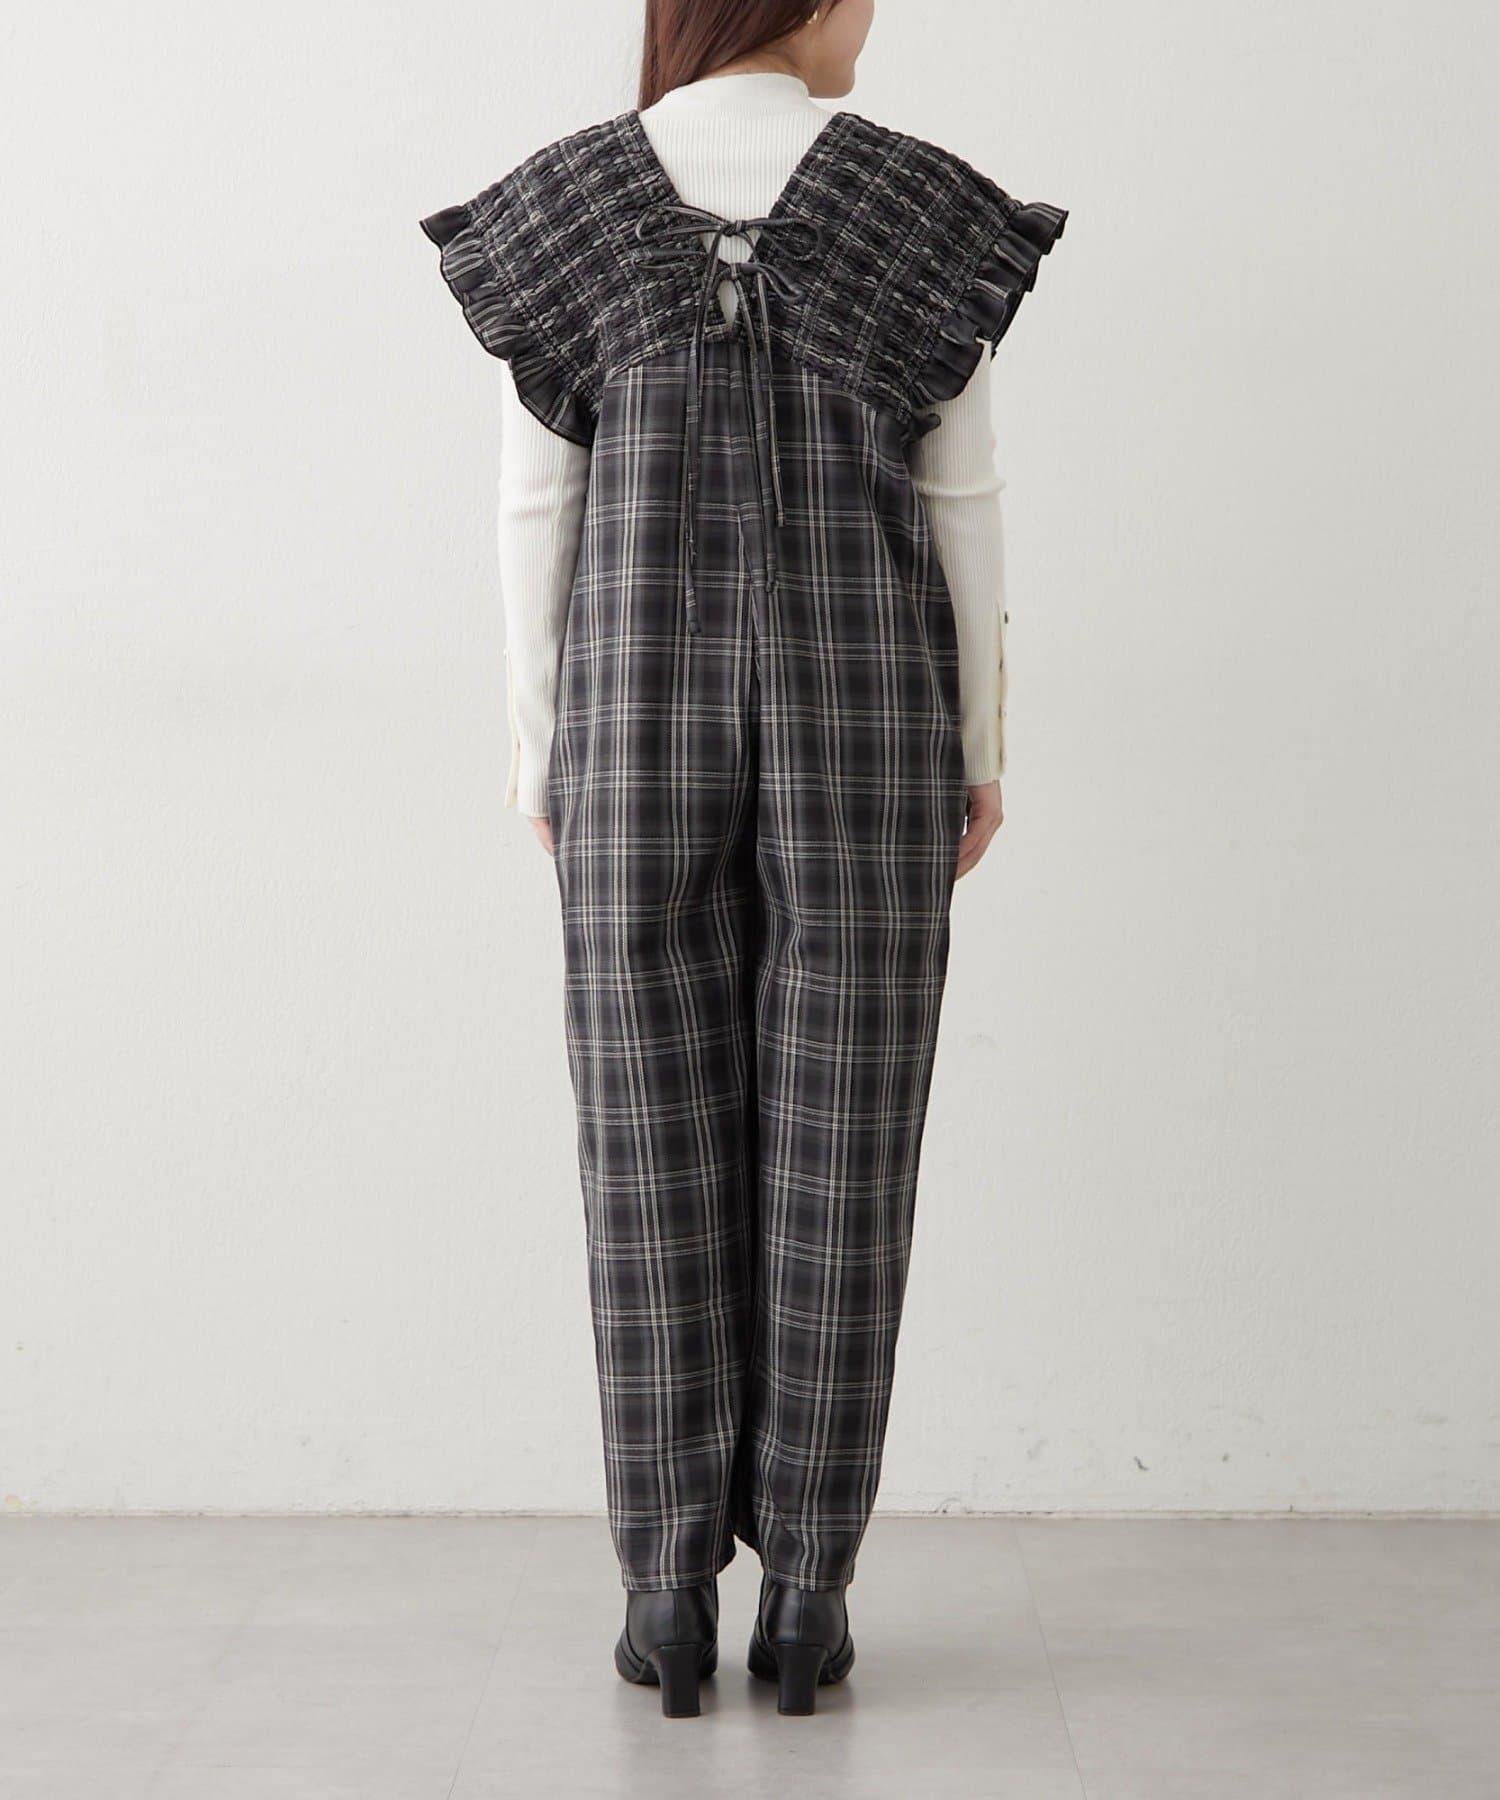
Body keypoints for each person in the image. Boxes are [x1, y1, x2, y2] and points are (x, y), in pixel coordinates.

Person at [421, 0, 1064, 1719]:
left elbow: (536, 511)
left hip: (634, 728)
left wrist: (541, 750)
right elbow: (964, 501)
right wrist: (979, 750)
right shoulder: (921, 210)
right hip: (871, 734)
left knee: (646, 1145)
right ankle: (808, 1597)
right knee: (847, 1148)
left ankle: (661, 1594)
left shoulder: (566, 209)